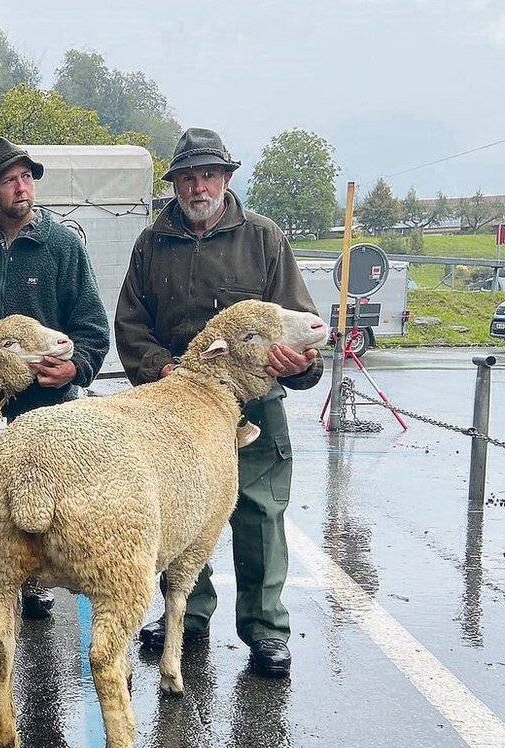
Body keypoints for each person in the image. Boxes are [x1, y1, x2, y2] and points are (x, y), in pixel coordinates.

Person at [114, 127, 323, 677]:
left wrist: (301, 365)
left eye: (208, 175)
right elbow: (131, 325)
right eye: (187, 178)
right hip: (175, 409)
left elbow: (300, 323)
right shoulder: (152, 243)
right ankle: (186, 617)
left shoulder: (263, 238)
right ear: (175, 185)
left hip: (253, 404)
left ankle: (266, 629)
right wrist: (165, 370)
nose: (197, 187)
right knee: (181, 509)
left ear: (226, 178)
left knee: (260, 512)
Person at [0, 136, 111, 618]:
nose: (21, 187)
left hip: (45, 403)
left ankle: (37, 580)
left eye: (27, 177)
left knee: (41, 494)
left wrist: (75, 368)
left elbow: (92, 326)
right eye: (9, 180)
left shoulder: (63, 246)